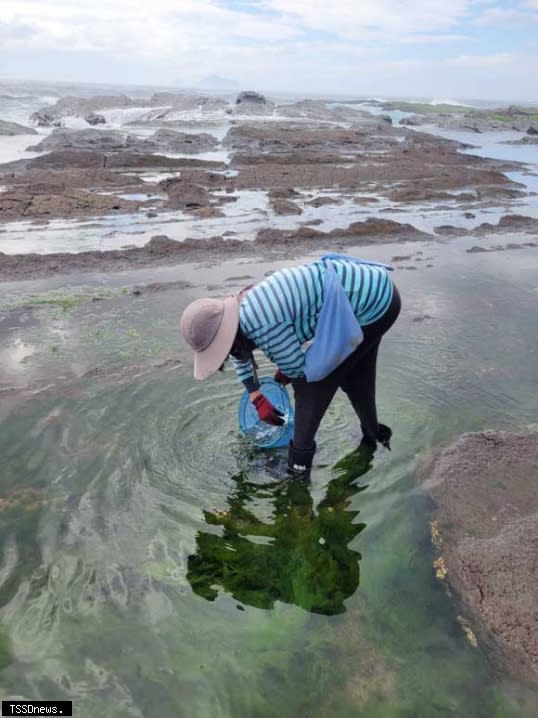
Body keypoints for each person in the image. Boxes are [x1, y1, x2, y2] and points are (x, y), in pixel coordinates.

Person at [180, 255, 401, 479]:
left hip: (371, 303)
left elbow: (300, 372)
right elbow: (240, 353)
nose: (225, 355)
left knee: (311, 387)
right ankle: (374, 435)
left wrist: (287, 369)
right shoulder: (241, 312)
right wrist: (256, 395)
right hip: (378, 292)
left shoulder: (261, 323)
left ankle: (297, 469)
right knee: (355, 376)